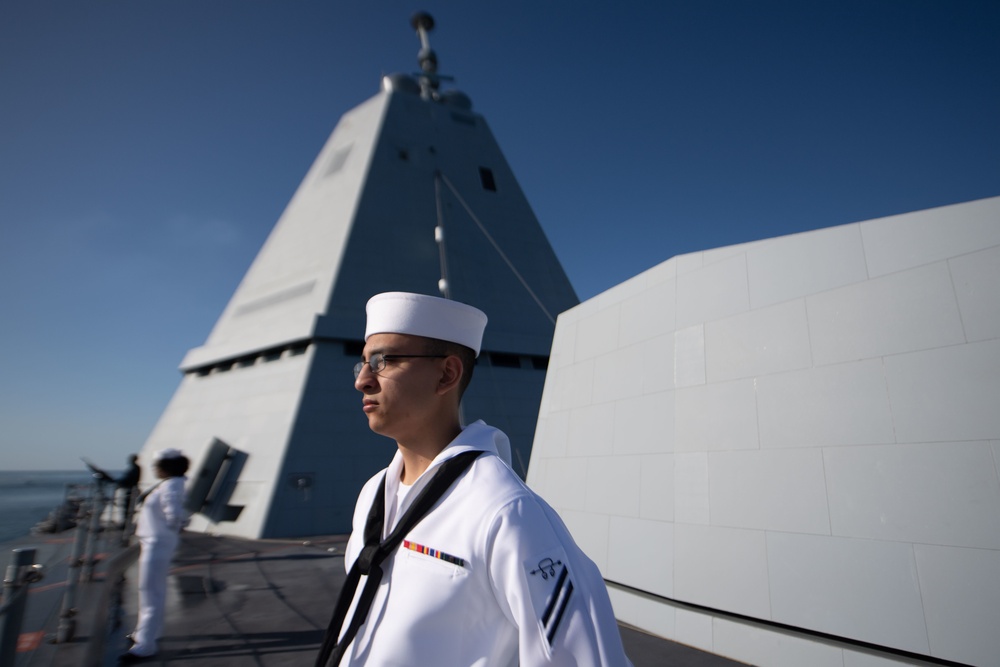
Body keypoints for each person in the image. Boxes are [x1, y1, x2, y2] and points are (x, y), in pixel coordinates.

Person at [316, 292, 632, 666]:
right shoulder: (373, 495)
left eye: (384, 361)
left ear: (447, 374)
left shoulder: (506, 512)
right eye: (363, 364)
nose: (363, 381)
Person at [120, 448, 189, 663]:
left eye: (156, 465)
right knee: (151, 591)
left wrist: (168, 529)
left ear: (166, 467)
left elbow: (175, 515)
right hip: (155, 542)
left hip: (157, 543)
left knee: (151, 593)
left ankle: (145, 646)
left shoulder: (172, 485)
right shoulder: (170, 484)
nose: (153, 468)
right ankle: (146, 634)